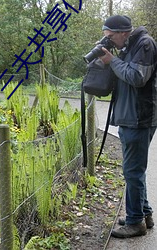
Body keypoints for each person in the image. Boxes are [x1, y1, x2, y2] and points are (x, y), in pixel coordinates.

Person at [99, 15, 157, 238]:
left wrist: (112, 61)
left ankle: (135, 223)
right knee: (134, 171)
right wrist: (109, 60)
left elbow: (136, 77)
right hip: (129, 117)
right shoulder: (128, 46)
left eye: (111, 37)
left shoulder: (145, 44)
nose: (110, 41)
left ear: (123, 32)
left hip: (139, 118)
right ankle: (144, 214)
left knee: (132, 171)